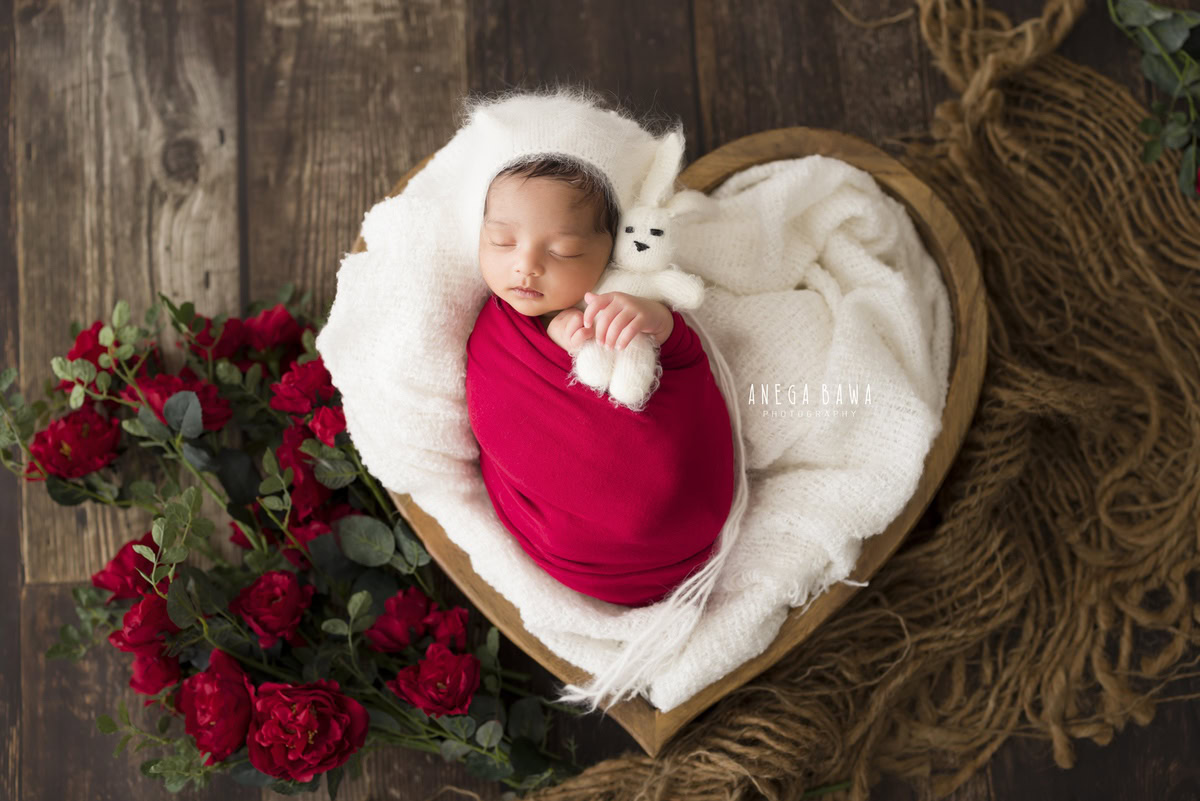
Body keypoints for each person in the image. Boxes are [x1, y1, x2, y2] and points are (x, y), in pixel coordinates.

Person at [464, 156, 736, 608]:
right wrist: (557, 333)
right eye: (502, 241)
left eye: (564, 250)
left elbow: (684, 361)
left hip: (678, 518)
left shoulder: (626, 298)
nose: (526, 265)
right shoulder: (498, 335)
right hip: (567, 544)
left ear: (610, 251)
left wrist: (653, 318)